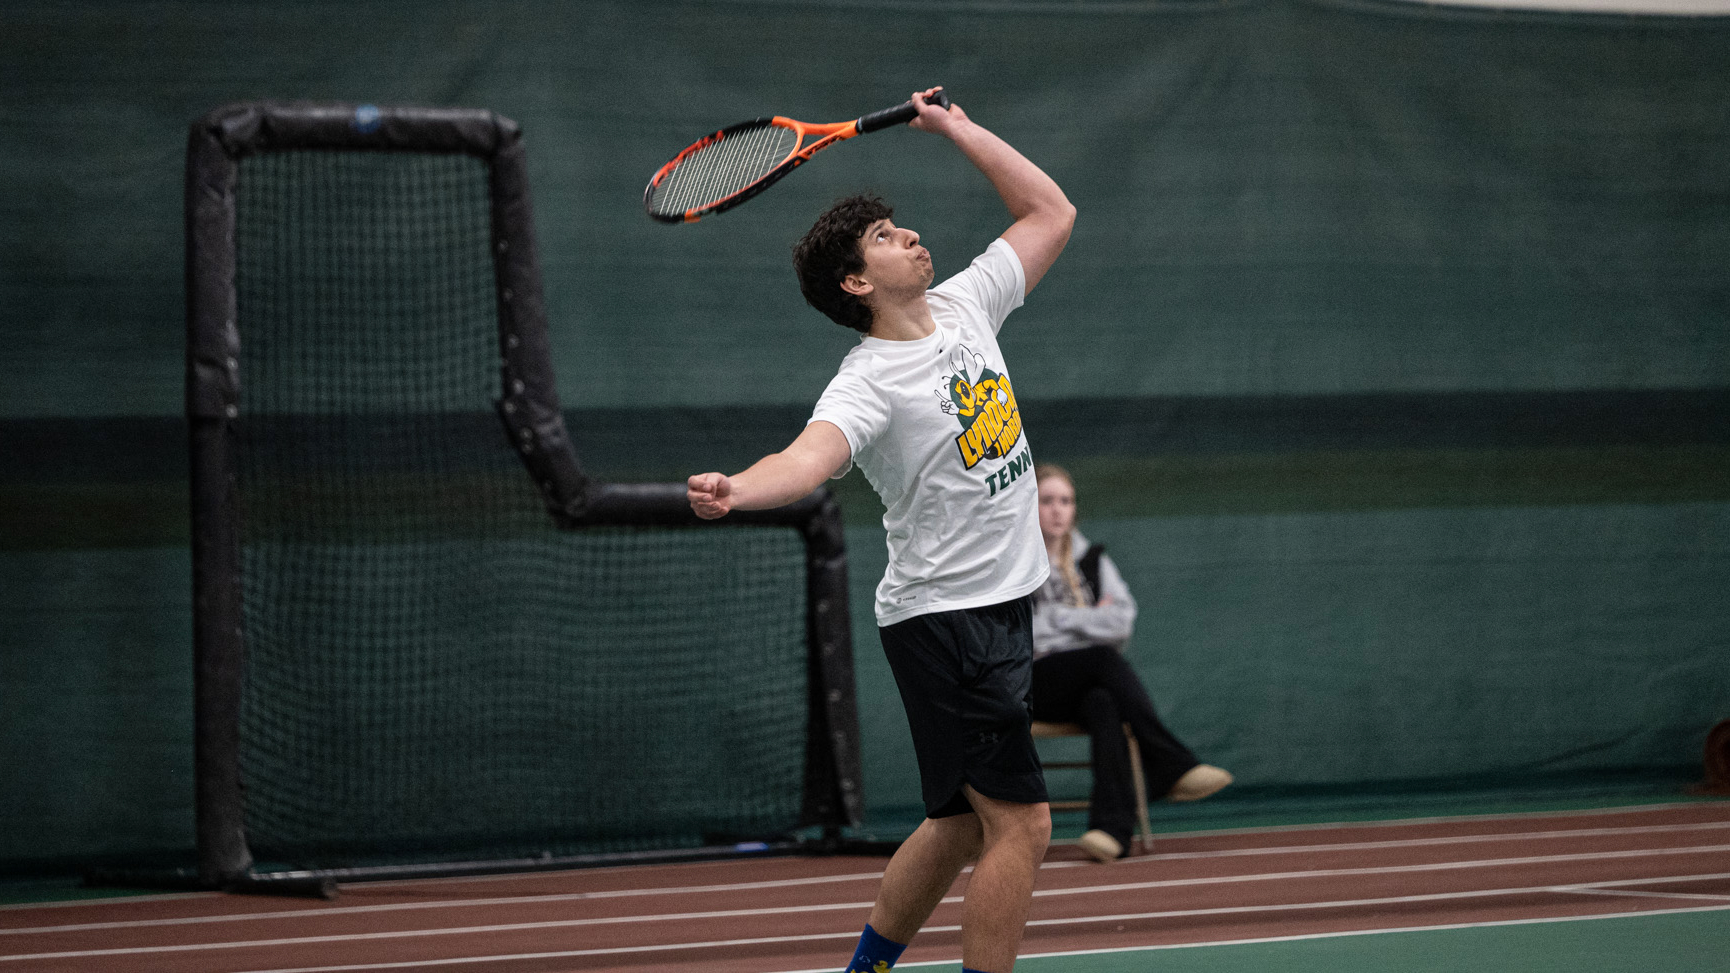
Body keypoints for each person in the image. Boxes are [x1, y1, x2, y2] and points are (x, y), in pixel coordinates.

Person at [687, 88, 1074, 973]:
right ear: (857, 284)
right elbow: (811, 457)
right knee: (1024, 825)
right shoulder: (867, 382)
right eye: (885, 238)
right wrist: (740, 488)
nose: (908, 237)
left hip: (989, 608)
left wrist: (959, 127)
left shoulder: (970, 303)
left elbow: (1051, 210)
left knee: (955, 824)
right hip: (950, 619)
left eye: (901, 226)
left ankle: (863, 969)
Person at [1030, 464, 1233, 863]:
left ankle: (1111, 832)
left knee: (1104, 701)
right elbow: (1024, 636)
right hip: (1033, 683)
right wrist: (1088, 624)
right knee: (1102, 659)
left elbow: (1121, 622)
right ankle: (1170, 764)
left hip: (1082, 679)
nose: (1057, 510)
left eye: (1066, 501)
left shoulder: (1092, 560)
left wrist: (1060, 619)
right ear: (1028, 507)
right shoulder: (1014, 562)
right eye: (1047, 501)